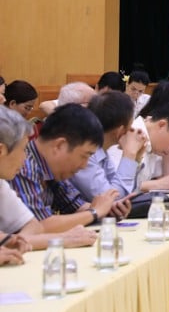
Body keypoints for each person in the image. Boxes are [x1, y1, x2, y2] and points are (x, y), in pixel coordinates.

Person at [10, 104, 126, 232]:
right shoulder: (22, 165)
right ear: (59, 145)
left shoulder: (52, 168)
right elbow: (39, 225)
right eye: (84, 156)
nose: (84, 165)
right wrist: (95, 212)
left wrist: (109, 209)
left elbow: (76, 206)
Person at [0, 108, 97, 254]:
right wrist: (64, 239)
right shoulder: (25, 168)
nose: (25, 158)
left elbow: (33, 226)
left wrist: (15, 243)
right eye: (22, 149)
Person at [112, 92, 169, 192]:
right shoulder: (131, 134)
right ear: (161, 125)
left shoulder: (155, 143)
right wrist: (158, 184)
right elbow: (115, 187)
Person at [71, 91, 144, 204]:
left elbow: (125, 194)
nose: (132, 129)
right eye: (131, 124)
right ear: (120, 131)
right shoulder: (85, 154)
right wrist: (129, 154)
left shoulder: (102, 151)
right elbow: (111, 198)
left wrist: (136, 158)